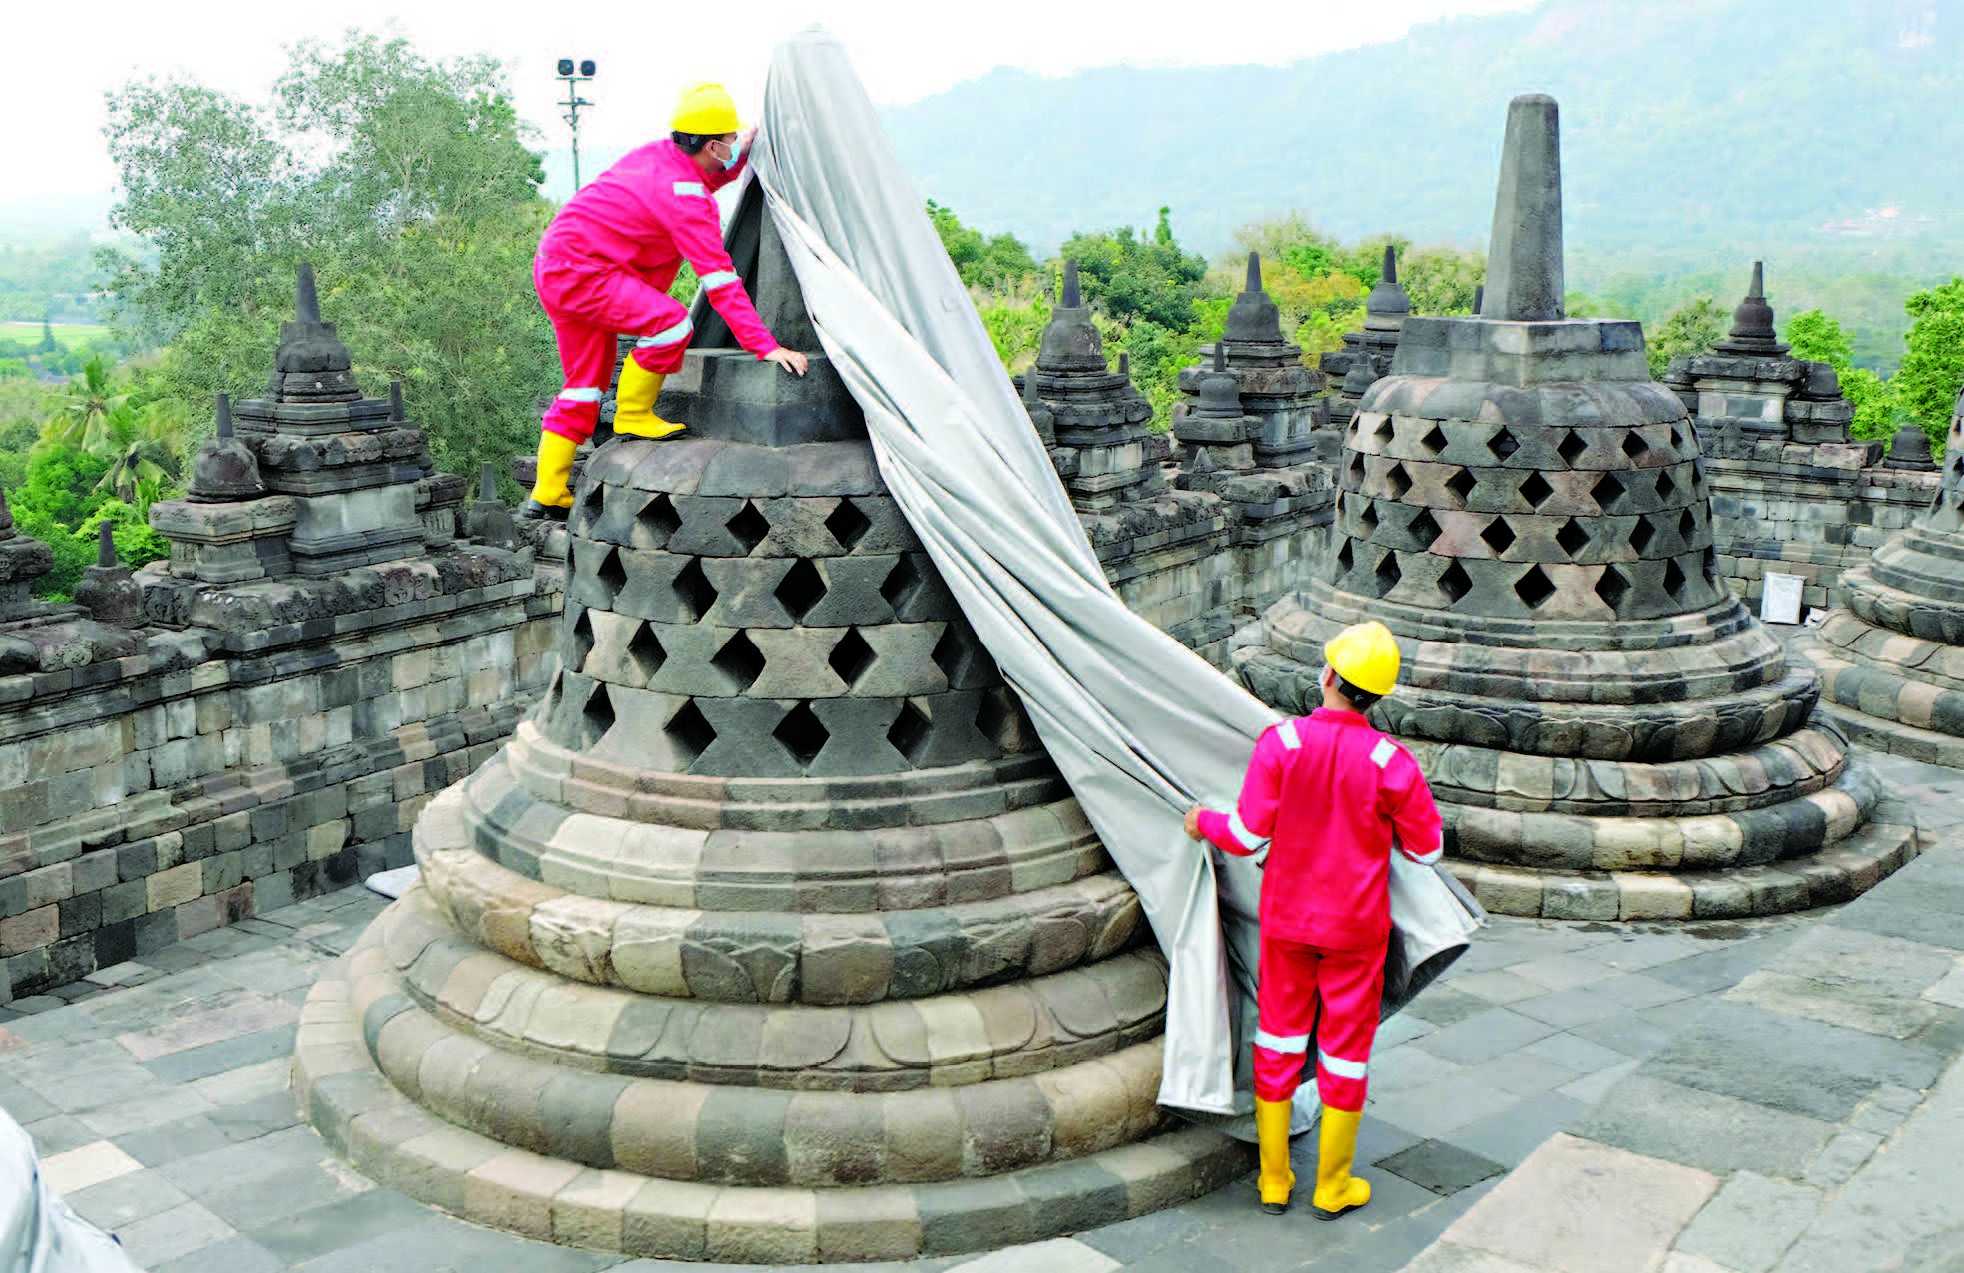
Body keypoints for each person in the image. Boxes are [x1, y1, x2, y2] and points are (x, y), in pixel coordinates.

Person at [1184, 619, 1443, 1219]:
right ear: (1377, 696)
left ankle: (1274, 1180)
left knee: (1276, 1040)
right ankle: (1332, 1186)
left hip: (1287, 923)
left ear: (1327, 675)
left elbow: (1248, 836)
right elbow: (1426, 851)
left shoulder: (1283, 743)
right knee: (1346, 1051)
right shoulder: (1391, 762)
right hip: (1357, 930)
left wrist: (1203, 822)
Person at [521, 82, 811, 520]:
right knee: (671, 323)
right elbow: (721, 283)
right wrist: (765, 346)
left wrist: (740, 159)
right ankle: (634, 413)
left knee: (584, 384)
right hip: (586, 272)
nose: (734, 145)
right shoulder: (685, 197)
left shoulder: (659, 157)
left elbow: (698, 177)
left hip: (556, 266)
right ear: (712, 145)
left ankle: (546, 494)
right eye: (730, 141)